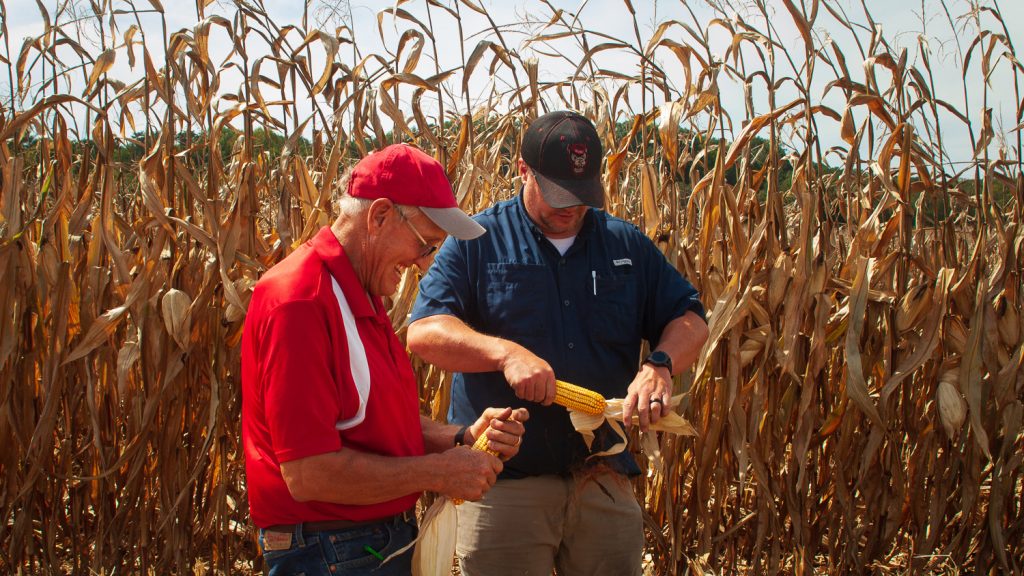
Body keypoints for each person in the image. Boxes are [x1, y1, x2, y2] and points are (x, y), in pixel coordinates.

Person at [406, 110, 709, 576]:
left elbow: (690, 317)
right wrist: (505, 353)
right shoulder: (478, 240)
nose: (569, 208)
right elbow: (425, 331)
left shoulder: (624, 244)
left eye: (581, 196)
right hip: (505, 484)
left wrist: (660, 365)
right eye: (557, 195)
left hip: (603, 480)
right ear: (523, 170)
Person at [241, 143, 528, 576]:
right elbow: (308, 473)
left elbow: (375, 423)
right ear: (378, 216)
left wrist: (460, 439)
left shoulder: (359, 294)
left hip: (361, 544)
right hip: (331, 550)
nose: (423, 264)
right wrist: (437, 473)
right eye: (425, 244)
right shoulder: (300, 302)